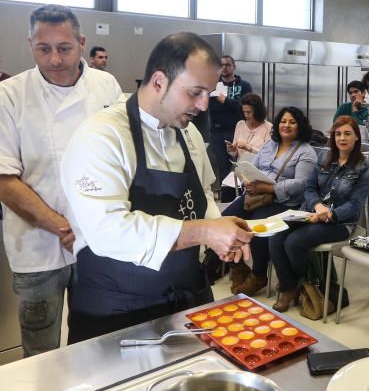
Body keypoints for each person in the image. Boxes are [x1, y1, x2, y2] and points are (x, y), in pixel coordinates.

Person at [60, 33, 253, 342]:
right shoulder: (102, 136)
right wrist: (204, 231)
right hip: (117, 310)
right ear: (160, 82)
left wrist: (220, 231)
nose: (204, 105)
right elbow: (108, 230)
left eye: (208, 93)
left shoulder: (187, 134)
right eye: (195, 92)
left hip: (188, 299)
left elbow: (202, 196)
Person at [0, 4, 122, 356]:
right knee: (41, 351)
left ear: (82, 42)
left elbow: (120, 158)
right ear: (30, 45)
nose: (55, 59)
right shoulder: (7, 96)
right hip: (37, 248)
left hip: (98, 243)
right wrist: (62, 227)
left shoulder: (107, 86)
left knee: (99, 340)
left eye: (64, 48)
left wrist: (91, 228)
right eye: (44, 49)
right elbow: (1, 180)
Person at [269, 116, 369, 312]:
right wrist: (317, 206)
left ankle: (295, 285)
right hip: (310, 213)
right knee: (276, 237)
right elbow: (309, 188)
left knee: (294, 242)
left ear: (357, 137)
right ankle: (291, 286)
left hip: (340, 223)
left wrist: (328, 215)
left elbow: (354, 204)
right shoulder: (325, 159)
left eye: (347, 134)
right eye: (338, 134)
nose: (342, 138)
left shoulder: (364, 168)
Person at [225, 106, 317, 297]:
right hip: (255, 196)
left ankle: (258, 275)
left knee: (258, 227)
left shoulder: (306, 152)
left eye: (292, 122)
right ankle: (237, 265)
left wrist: (272, 188)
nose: (287, 125)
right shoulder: (269, 145)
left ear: (300, 126)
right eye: (283, 121)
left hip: (284, 201)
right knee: (225, 219)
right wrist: (247, 180)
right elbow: (251, 166)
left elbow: (303, 183)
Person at [208, 55, 253, 183]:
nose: (224, 68)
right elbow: (210, 107)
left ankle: (242, 194)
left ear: (234, 67)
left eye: (227, 65)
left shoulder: (244, 86)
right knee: (223, 166)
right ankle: (226, 195)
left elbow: (246, 107)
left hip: (238, 131)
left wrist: (226, 101)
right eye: (221, 65)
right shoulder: (213, 86)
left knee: (242, 165)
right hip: (217, 132)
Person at [222, 93, 272, 201]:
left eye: (249, 112)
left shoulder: (268, 128)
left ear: (257, 111)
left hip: (261, 172)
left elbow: (269, 156)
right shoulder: (240, 125)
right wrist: (232, 150)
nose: (246, 115)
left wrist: (249, 148)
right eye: (244, 112)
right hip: (242, 171)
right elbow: (235, 153)